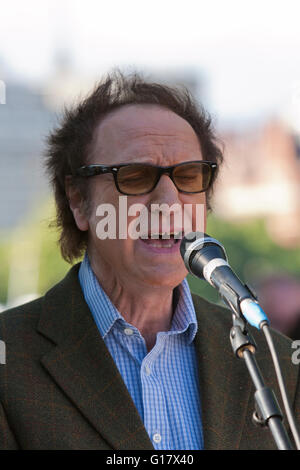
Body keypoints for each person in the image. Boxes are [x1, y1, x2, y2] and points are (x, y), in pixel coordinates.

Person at [0, 71, 299, 450]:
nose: (169, 203)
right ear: (79, 201)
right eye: (136, 176)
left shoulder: (275, 361)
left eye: (189, 176)